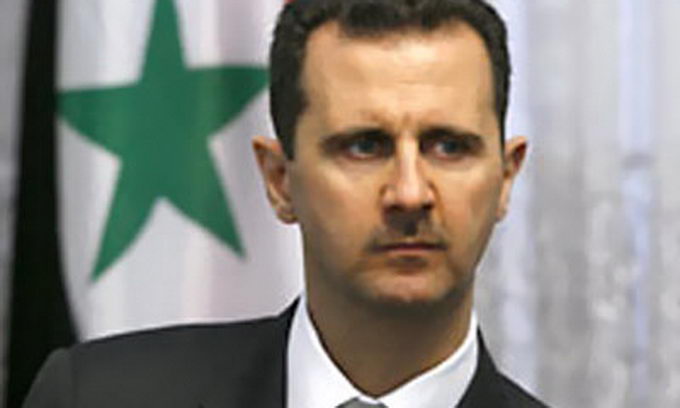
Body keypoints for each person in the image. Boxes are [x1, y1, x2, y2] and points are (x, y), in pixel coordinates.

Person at [23, 0, 548, 407]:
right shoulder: (96, 397)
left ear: (505, 178)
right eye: (364, 147)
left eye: (449, 147)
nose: (410, 194)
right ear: (279, 181)